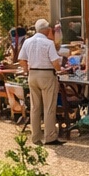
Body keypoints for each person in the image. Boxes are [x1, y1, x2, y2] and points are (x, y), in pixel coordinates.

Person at [19, 19, 63, 147]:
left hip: (33, 74)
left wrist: (27, 70)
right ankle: (49, 136)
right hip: (46, 74)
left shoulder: (27, 42)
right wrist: (59, 69)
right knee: (49, 107)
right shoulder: (48, 43)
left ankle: (36, 136)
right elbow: (55, 62)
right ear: (47, 30)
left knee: (35, 107)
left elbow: (22, 60)